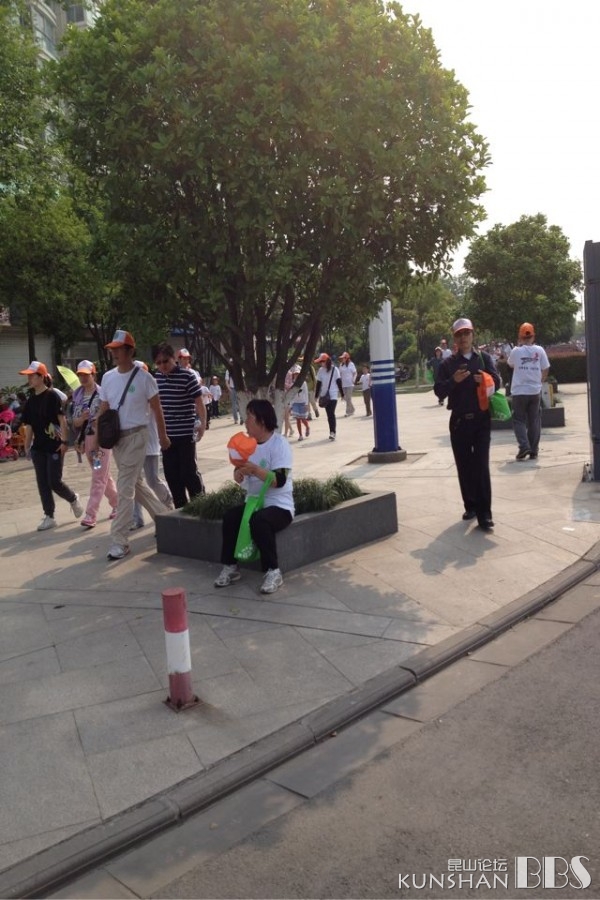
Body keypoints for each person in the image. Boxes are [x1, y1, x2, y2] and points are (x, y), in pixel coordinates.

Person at [94, 330, 171, 560]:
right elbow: (103, 409)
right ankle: (164, 517)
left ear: (130, 351)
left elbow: (157, 410)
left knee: (125, 487)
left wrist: (163, 437)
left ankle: (120, 540)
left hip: (138, 436)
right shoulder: (107, 378)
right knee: (135, 484)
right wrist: (96, 440)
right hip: (117, 440)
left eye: (118, 349)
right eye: (112, 349)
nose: (114, 353)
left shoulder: (145, 378)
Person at [214, 399, 294, 595]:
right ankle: (231, 566)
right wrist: (239, 474)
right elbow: (239, 473)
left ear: (262, 421)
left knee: (260, 520)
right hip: (254, 503)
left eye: (249, 417)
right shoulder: (247, 446)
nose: (245, 421)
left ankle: (273, 571)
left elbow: (280, 480)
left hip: (279, 505)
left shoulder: (279, 444)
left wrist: (256, 470)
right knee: (231, 517)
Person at [434, 318, 500, 532]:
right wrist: (453, 380)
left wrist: (486, 380)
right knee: (464, 466)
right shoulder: (448, 364)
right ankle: (470, 505)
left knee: (481, 465)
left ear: (472, 335)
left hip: (481, 420)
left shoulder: (483, 359)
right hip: (459, 422)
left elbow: (497, 381)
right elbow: (439, 390)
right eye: (459, 335)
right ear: (454, 338)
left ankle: (485, 514)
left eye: (466, 333)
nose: (463, 338)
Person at [19, 360, 83, 531]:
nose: (29, 379)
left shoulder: (52, 396)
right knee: (42, 483)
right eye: (28, 376)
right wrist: (27, 446)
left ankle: (73, 498)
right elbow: (29, 426)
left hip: (55, 446)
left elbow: (62, 421)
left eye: (32, 376)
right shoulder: (30, 402)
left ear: (41, 377)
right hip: (38, 448)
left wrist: (65, 442)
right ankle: (49, 516)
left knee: (54, 481)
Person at [152, 341, 207, 507]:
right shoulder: (156, 379)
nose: (163, 365)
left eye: (166, 361)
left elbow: (199, 402)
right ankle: (180, 508)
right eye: (158, 363)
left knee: (188, 472)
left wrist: (203, 424)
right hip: (167, 436)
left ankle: (200, 505)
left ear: (173, 358)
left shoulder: (187, 376)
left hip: (185, 434)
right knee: (172, 475)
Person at [71, 359, 118, 529]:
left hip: (102, 440)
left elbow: (109, 415)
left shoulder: (102, 393)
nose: (83, 378)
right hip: (87, 440)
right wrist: (81, 419)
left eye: (86, 374)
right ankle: (118, 504)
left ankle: (91, 513)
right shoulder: (76, 395)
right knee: (103, 475)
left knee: (98, 476)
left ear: (93, 374)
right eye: (80, 375)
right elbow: (74, 422)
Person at [131, 361, 174, 530]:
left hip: (150, 444)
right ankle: (137, 518)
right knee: (134, 482)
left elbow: (159, 413)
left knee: (152, 480)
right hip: (133, 445)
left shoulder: (151, 390)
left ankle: (168, 503)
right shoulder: (130, 393)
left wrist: (163, 437)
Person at [507, 322, 550, 461]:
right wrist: (540, 381)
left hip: (519, 391)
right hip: (534, 391)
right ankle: (534, 450)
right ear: (533, 337)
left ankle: (524, 446)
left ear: (520, 337)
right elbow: (545, 368)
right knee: (534, 421)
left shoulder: (516, 351)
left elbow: (510, 364)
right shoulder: (540, 350)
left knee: (519, 420)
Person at [314, 353, 343, 441]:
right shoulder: (320, 371)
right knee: (329, 414)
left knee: (331, 413)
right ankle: (331, 431)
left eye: (322, 362)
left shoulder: (335, 369)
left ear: (326, 361)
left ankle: (332, 432)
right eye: (320, 362)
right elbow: (318, 384)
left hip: (333, 395)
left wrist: (342, 394)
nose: (320, 363)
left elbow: (338, 382)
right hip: (324, 395)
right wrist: (316, 396)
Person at [289, 370, 310, 440]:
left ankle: (307, 427)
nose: (296, 375)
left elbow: (306, 394)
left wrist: (306, 404)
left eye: (297, 374)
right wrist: (290, 405)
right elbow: (291, 395)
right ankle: (300, 435)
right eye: (295, 374)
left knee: (303, 419)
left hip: (303, 403)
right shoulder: (292, 384)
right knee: (298, 419)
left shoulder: (303, 383)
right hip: (295, 403)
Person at [338, 351, 357, 416]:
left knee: (348, 398)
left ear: (347, 358)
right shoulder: (341, 365)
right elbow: (339, 374)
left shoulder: (351, 364)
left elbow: (355, 373)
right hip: (343, 384)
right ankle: (352, 409)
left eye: (343, 358)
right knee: (345, 398)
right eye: (342, 358)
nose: (342, 359)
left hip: (350, 384)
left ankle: (348, 412)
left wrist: (353, 380)